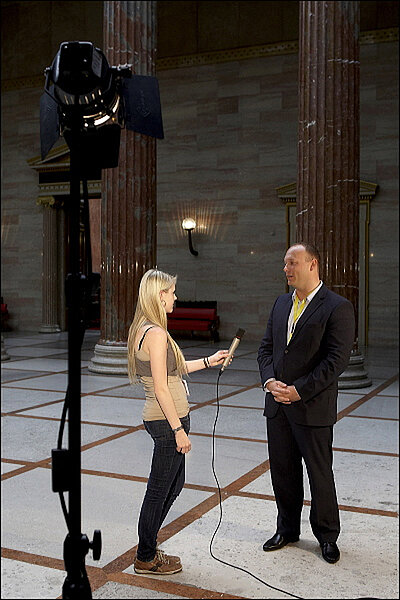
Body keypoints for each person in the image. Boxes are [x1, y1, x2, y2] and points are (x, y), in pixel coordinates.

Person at [127, 268, 230, 575]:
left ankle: (148, 545)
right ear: (160, 295)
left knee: (174, 484)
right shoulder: (156, 334)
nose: (175, 297)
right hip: (165, 421)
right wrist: (177, 430)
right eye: (172, 292)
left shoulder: (145, 328)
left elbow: (175, 368)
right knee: (159, 490)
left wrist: (210, 360)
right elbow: (161, 388)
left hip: (163, 418)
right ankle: (146, 556)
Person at [257, 242, 355, 564]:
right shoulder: (280, 303)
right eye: (285, 263)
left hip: (312, 407)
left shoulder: (337, 307)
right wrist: (269, 381)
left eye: (292, 263)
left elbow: (336, 361)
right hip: (278, 406)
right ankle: (287, 529)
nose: (286, 269)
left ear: (312, 264)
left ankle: (327, 536)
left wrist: (298, 390)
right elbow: (266, 349)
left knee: (319, 474)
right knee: (283, 472)